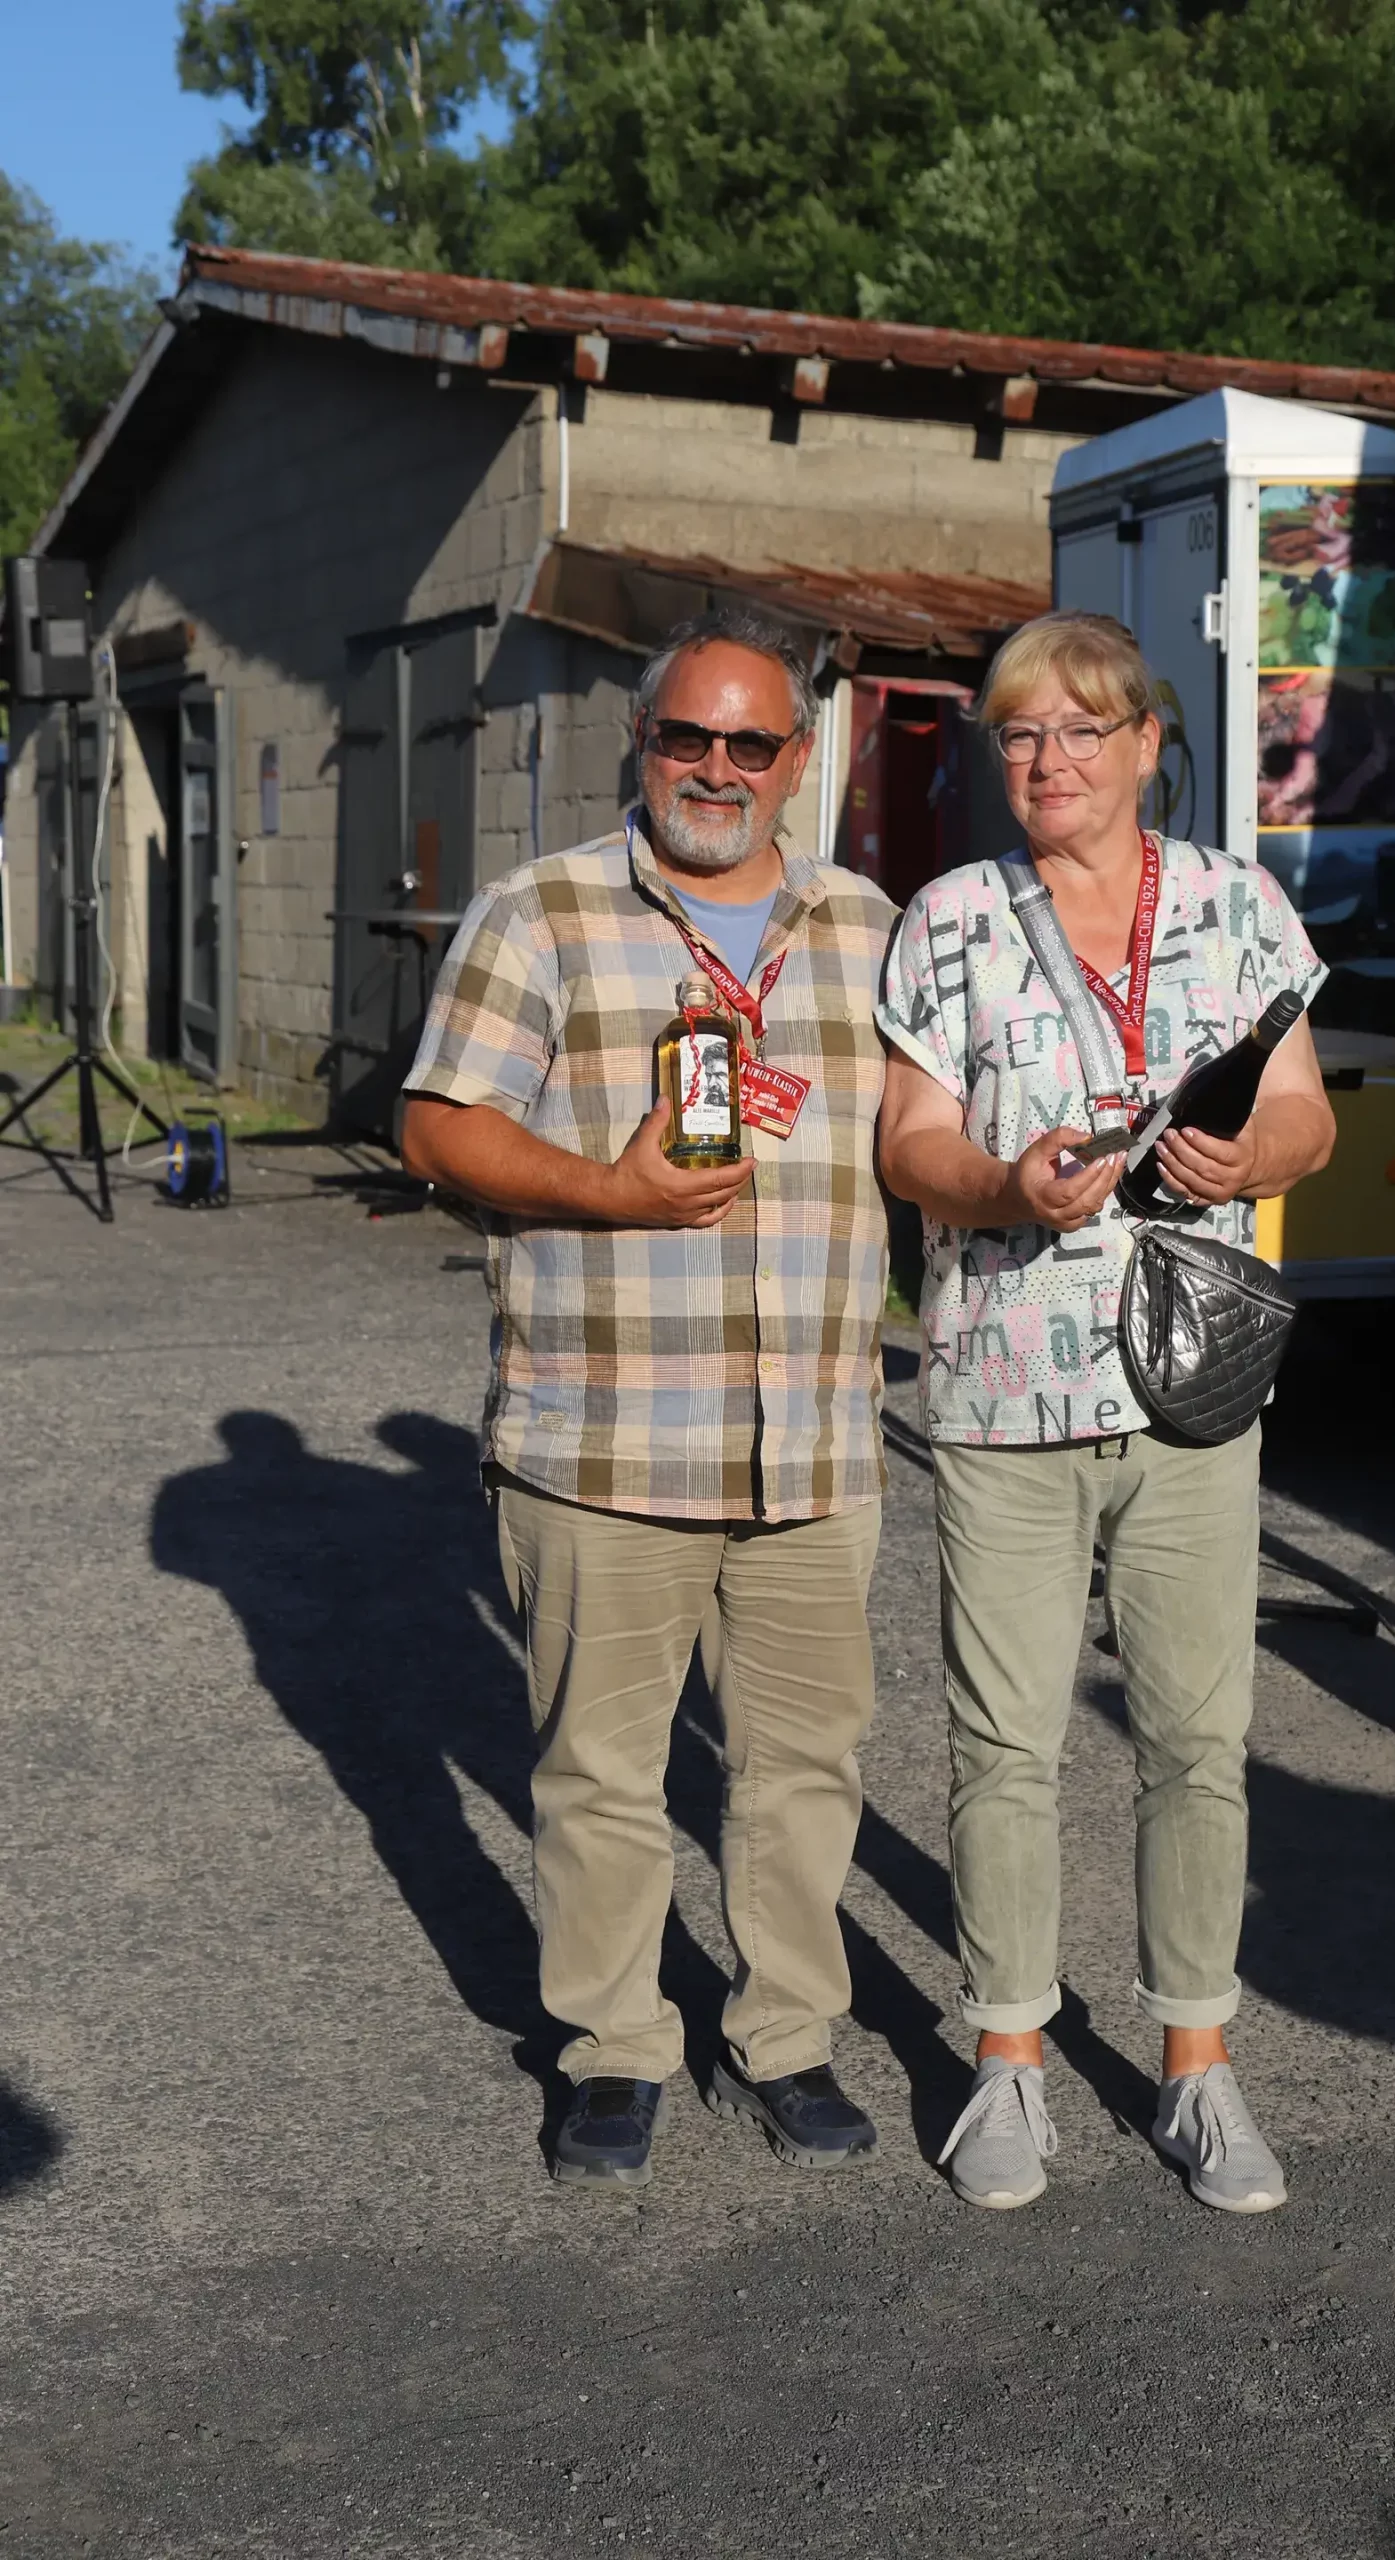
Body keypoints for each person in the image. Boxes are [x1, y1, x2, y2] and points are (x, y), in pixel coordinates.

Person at [401, 605, 896, 2188]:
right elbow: (437, 1127)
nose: (716, 768)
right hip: (602, 1438)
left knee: (802, 1771)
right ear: (642, 740)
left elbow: (929, 1139)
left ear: (798, 759)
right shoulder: (539, 912)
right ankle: (613, 2049)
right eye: (688, 734)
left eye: (751, 742)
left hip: (812, 1445)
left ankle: (786, 2038)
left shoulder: (870, 927)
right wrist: (608, 1193)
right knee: (602, 1775)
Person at [877, 611, 1336, 2214]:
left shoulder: (1235, 904)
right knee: (1002, 1746)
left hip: (1193, 1387)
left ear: (1148, 743)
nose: (1047, 759)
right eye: (1018, 733)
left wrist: (1253, 1156)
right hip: (1003, 1384)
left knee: (1197, 1742)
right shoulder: (946, 920)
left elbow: (1307, 1116)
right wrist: (1003, 1183)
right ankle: (1007, 2059)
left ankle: (1195, 2066)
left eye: (1081, 728)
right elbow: (907, 1145)